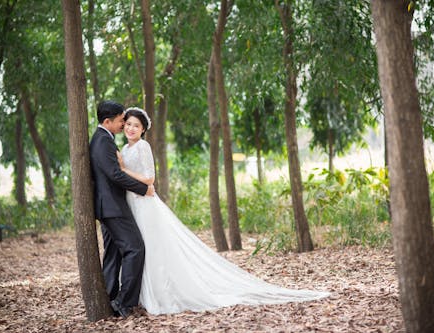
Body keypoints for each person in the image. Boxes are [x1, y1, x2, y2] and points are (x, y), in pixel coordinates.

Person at [118, 107, 330, 315]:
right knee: (141, 248)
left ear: (143, 129)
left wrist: (124, 170)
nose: (131, 128)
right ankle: (142, 295)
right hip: (132, 202)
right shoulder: (126, 149)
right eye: (128, 124)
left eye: (136, 126)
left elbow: (149, 179)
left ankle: (159, 294)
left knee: (152, 248)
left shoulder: (142, 147)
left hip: (145, 204)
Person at [89, 101, 154, 318]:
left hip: (109, 205)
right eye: (121, 121)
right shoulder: (103, 142)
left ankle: (109, 298)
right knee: (135, 248)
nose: (124, 125)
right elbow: (115, 174)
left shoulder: (104, 139)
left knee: (114, 253)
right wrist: (143, 189)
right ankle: (124, 303)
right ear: (107, 121)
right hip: (113, 206)